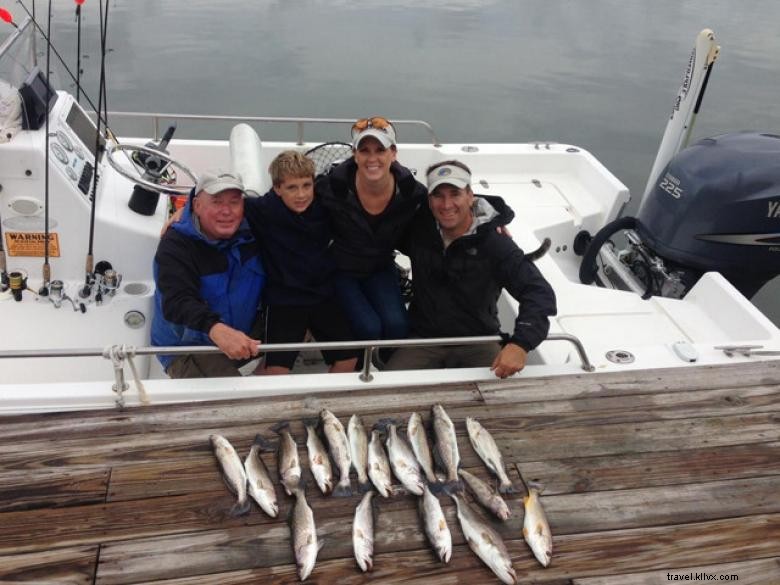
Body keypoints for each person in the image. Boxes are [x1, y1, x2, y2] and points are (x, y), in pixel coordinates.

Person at [386, 160, 557, 378]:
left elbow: (537, 291)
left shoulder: (496, 243)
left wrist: (520, 344)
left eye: (455, 193)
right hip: (423, 339)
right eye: (438, 195)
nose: (447, 205)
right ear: (429, 200)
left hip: (478, 340)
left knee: (506, 402)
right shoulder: (418, 230)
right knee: (384, 392)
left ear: (470, 196)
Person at [243, 150, 359, 374]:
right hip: (284, 299)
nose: (301, 195)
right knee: (277, 371)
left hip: (322, 294)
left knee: (349, 358)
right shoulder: (262, 210)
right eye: (291, 188)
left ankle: (324, 406)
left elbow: (354, 180)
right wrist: (183, 213)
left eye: (307, 185)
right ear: (277, 188)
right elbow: (226, 205)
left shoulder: (324, 204)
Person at [316, 117, 428, 345]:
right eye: (364, 150)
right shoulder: (331, 187)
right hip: (341, 269)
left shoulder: (412, 193)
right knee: (369, 327)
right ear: (355, 155)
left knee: (398, 326)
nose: (372, 158)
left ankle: (387, 368)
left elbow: (446, 206)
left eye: (380, 150)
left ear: (393, 153)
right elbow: (293, 203)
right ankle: (359, 367)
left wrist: (489, 216)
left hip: (379, 267)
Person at [152, 170, 266, 378]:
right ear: (196, 206)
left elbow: (293, 202)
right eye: (216, 202)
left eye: (234, 202)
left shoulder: (254, 225)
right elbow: (176, 301)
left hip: (245, 328)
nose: (226, 211)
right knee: (238, 404)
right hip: (191, 345)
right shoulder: (175, 245)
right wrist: (215, 328)